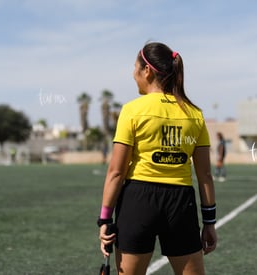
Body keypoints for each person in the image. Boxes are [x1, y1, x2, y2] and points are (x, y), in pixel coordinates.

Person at [97, 42, 217, 275]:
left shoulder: (132, 110)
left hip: (138, 200)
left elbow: (116, 172)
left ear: (147, 71)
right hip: (181, 203)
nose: (133, 73)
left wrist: (104, 219)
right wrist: (209, 223)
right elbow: (205, 175)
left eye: (135, 67)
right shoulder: (194, 114)